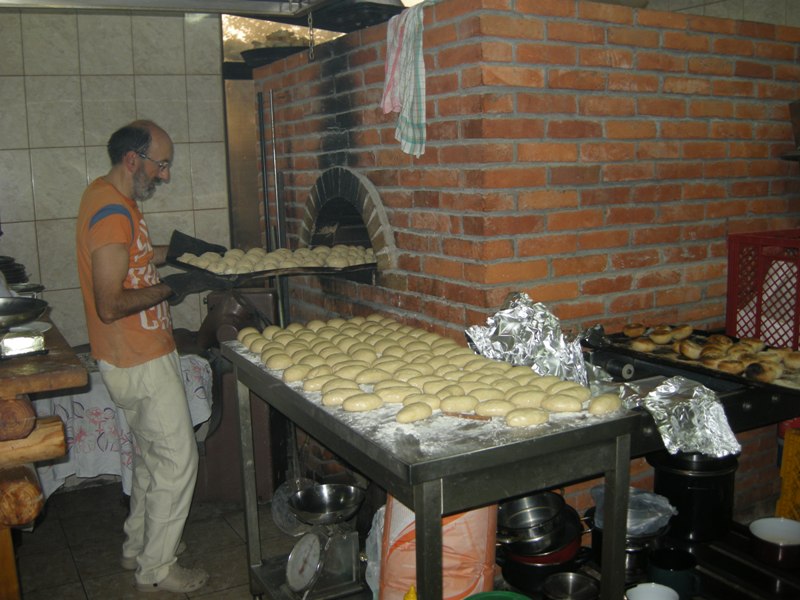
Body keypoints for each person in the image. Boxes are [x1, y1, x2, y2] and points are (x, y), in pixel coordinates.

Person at [76, 120, 221, 593]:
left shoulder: (111, 198)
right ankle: (157, 569)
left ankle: (138, 544)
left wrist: (183, 254)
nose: (165, 175)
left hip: (139, 352)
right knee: (178, 461)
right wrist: (171, 289)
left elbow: (132, 258)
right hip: (136, 356)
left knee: (149, 459)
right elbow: (110, 303)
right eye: (161, 165)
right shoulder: (110, 212)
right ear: (132, 159)